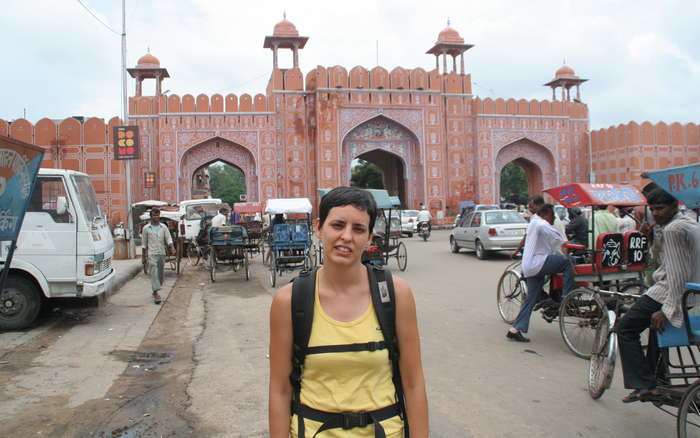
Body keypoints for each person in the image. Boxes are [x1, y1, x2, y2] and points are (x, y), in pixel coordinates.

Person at [269, 186, 429, 438]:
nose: (346, 237)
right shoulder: (290, 300)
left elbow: (413, 382)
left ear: (369, 238)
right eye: (337, 225)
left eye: (358, 229)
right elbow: (279, 390)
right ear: (318, 227)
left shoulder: (395, 293)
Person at [618, 188, 700, 403]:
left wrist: (668, 309)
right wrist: (651, 236)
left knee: (626, 328)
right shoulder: (689, 222)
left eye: (661, 208)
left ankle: (644, 383)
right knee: (655, 331)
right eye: (653, 209)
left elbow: (676, 273)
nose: (656, 213)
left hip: (669, 292)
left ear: (674, 206)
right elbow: (661, 258)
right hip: (690, 293)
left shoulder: (674, 229)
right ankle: (657, 380)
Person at [507, 204, 574, 342]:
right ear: (547, 213)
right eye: (552, 217)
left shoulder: (533, 221)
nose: (553, 219)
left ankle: (514, 329)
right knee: (568, 262)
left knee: (530, 299)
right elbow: (555, 234)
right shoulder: (540, 223)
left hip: (530, 266)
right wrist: (565, 244)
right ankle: (566, 296)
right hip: (537, 263)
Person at [141, 207, 175, 305]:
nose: (157, 217)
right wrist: (143, 257)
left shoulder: (163, 227)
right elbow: (144, 244)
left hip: (161, 253)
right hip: (151, 254)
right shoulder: (146, 229)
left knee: (160, 274)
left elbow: (168, 238)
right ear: (151, 217)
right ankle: (156, 293)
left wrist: (172, 247)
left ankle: (155, 288)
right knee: (154, 272)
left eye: (158, 215)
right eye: (155, 215)